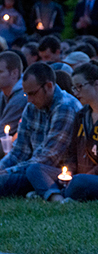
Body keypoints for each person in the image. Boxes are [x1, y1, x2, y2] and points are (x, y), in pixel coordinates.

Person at [25, 62, 98, 201]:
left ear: (96, 84)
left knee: (80, 182)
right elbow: (73, 153)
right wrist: (69, 172)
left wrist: (79, 178)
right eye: (74, 87)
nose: (76, 92)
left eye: (79, 87)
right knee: (34, 169)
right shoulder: (81, 115)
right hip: (81, 176)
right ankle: (57, 197)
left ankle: (52, 193)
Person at [0, 63, 81, 197]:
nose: (29, 100)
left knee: (6, 181)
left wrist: (8, 172)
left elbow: (49, 158)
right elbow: (19, 151)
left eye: (32, 93)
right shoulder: (32, 107)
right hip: (31, 168)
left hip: (52, 174)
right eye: (26, 94)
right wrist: (2, 167)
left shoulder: (65, 107)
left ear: (49, 86)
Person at [0, 52, 27, 151]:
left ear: (14, 73)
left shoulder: (21, 97)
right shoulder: (4, 94)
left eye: (0, 72)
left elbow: (2, 132)